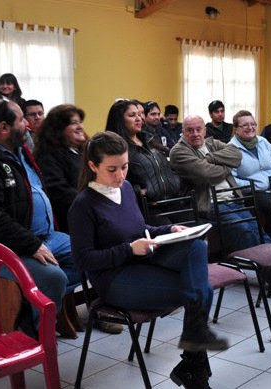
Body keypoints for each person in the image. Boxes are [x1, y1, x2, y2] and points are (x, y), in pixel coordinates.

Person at [68, 132, 227, 389]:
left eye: (125, 166)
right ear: (92, 166)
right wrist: (129, 250)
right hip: (114, 279)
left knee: (195, 246)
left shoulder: (127, 189)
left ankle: (193, 364)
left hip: (142, 259)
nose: (121, 175)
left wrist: (169, 230)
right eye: (112, 169)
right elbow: (84, 260)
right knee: (201, 290)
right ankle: (194, 367)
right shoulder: (83, 205)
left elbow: (141, 228)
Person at [0, 99, 79, 324]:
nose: (27, 123)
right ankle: (35, 328)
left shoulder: (21, 151)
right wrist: (31, 244)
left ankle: (30, 304)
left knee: (88, 256)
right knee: (53, 277)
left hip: (44, 237)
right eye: (21, 119)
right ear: (4, 128)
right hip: (6, 248)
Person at [170, 115, 271, 252]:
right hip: (211, 204)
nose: (195, 134)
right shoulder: (178, 151)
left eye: (198, 129)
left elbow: (237, 155)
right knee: (245, 230)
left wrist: (210, 158)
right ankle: (265, 264)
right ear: (183, 131)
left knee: (256, 228)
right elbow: (206, 174)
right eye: (190, 130)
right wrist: (227, 167)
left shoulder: (212, 144)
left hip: (233, 199)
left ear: (205, 130)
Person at [104, 100, 184, 212]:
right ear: (119, 120)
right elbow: (112, 182)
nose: (139, 118)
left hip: (170, 200)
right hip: (145, 208)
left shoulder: (147, 139)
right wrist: (140, 192)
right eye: (132, 115)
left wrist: (175, 181)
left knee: (199, 226)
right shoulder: (115, 148)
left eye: (139, 114)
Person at [229, 109, 271, 240]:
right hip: (252, 192)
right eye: (245, 125)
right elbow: (231, 177)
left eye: (253, 124)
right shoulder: (230, 149)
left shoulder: (262, 141)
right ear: (236, 129)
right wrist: (254, 185)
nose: (250, 127)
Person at [33, 104, 87, 233]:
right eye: (74, 123)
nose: (80, 127)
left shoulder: (82, 151)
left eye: (80, 122)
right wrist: (92, 201)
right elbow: (58, 191)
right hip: (71, 221)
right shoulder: (48, 156)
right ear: (59, 129)